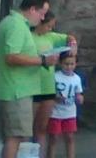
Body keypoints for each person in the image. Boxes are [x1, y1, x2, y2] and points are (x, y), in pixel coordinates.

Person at [0, 0, 60, 158]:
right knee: (15, 137)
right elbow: (11, 57)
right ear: (32, 9)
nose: (42, 18)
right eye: (42, 13)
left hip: (17, 89)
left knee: (16, 136)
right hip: (16, 90)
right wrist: (42, 61)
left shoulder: (15, 23)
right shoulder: (16, 25)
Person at [32, 11, 77, 158]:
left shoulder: (50, 36)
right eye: (48, 26)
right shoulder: (29, 36)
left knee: (42, 128)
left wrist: (73, 44)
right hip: (31, 85)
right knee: (27, 127)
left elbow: (69, 38)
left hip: (47, 87)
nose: (50, 29)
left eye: (52, 26)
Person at [47, 54, 83, 158]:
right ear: (60, 63)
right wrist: (56, 96)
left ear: (76, 64)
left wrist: (80, 97)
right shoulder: (55, 76)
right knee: (53, 138)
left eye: (72, 64)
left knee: (70, 137)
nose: (69, 67)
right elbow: (50, 92)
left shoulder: (77, 78)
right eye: (66, 64)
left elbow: (78, 92)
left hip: (70, 113)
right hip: (55, 113)